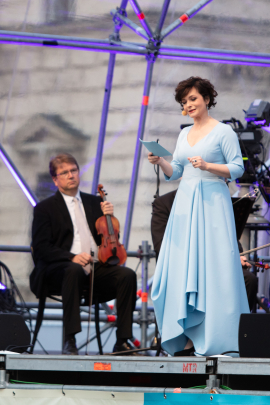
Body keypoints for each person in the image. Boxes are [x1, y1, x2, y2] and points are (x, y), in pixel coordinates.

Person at [148, 76, 250, 357]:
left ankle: (216, 337)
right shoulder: (183, 134)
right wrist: (162, 162)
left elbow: (238, 169)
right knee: (183, 266)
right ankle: (188, 336)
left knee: (212, 266)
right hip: (186, 202)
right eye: (184, 101)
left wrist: (208, 165)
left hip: (212, 202)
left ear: (206, 98)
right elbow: (177, 172)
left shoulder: (223, 132)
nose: (189, 104)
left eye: (193, 99)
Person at [30, 153, 137, 355]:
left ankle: (122, 341)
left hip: (95, 268)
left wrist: (109, 218)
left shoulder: (94, 202)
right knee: (74, 270)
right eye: (64, 173)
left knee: (127, 275)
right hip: (59, 270)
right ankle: (70, 340)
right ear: (55, 180)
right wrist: (71, 257)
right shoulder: (44, 208)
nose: (71, 175)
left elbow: (108, 238)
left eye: (73, 170)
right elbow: (41, 247)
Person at [151, 190, 257, 312]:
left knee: (248, 280)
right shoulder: (164, 203)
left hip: (217, 267)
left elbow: (229, 235)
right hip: (184, 268)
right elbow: (162, 248)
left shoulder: (215, 199)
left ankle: (236, 328)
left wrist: (235, 256)